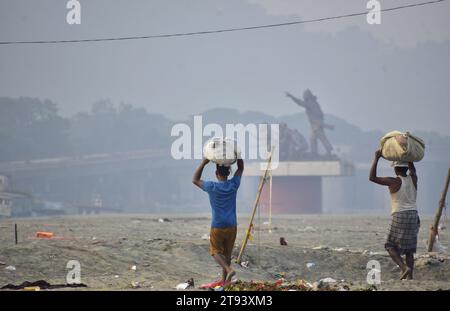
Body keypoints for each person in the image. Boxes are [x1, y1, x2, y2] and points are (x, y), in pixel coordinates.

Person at [369, 150, 420, 280]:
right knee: (409, 249)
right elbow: (413, 170)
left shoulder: (394, 181)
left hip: (400, 215)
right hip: (414, 216)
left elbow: (372, 178)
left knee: (390, 245)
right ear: (406, 168)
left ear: (396, 169)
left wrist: (376, 158)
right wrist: (409, 156)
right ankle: (410, 277)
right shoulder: (413, 178)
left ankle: (403, 267)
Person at [192, 157, 244, 283]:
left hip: (218, 225)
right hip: (232, 225)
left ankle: (229, 270)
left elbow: (195, 179)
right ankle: (224, 281)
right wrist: (238, 155)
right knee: (227, 255)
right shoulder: (233, 185)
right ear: (228, 173)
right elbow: (241, 168)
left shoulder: (212, 187)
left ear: (216, 173)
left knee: (215, 251)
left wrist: (203, 163)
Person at [286, 89, 334, 156]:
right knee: (313, 138)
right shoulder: (314, 103)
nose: (303, 96)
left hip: (316, 124)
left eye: (304, 95)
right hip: (315, 124)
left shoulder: (310, 103)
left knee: (321, 137)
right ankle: (315, 152)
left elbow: (300, 103)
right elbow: (321, 115)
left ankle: (328, 151)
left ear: (307, 96)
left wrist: (291, 97)